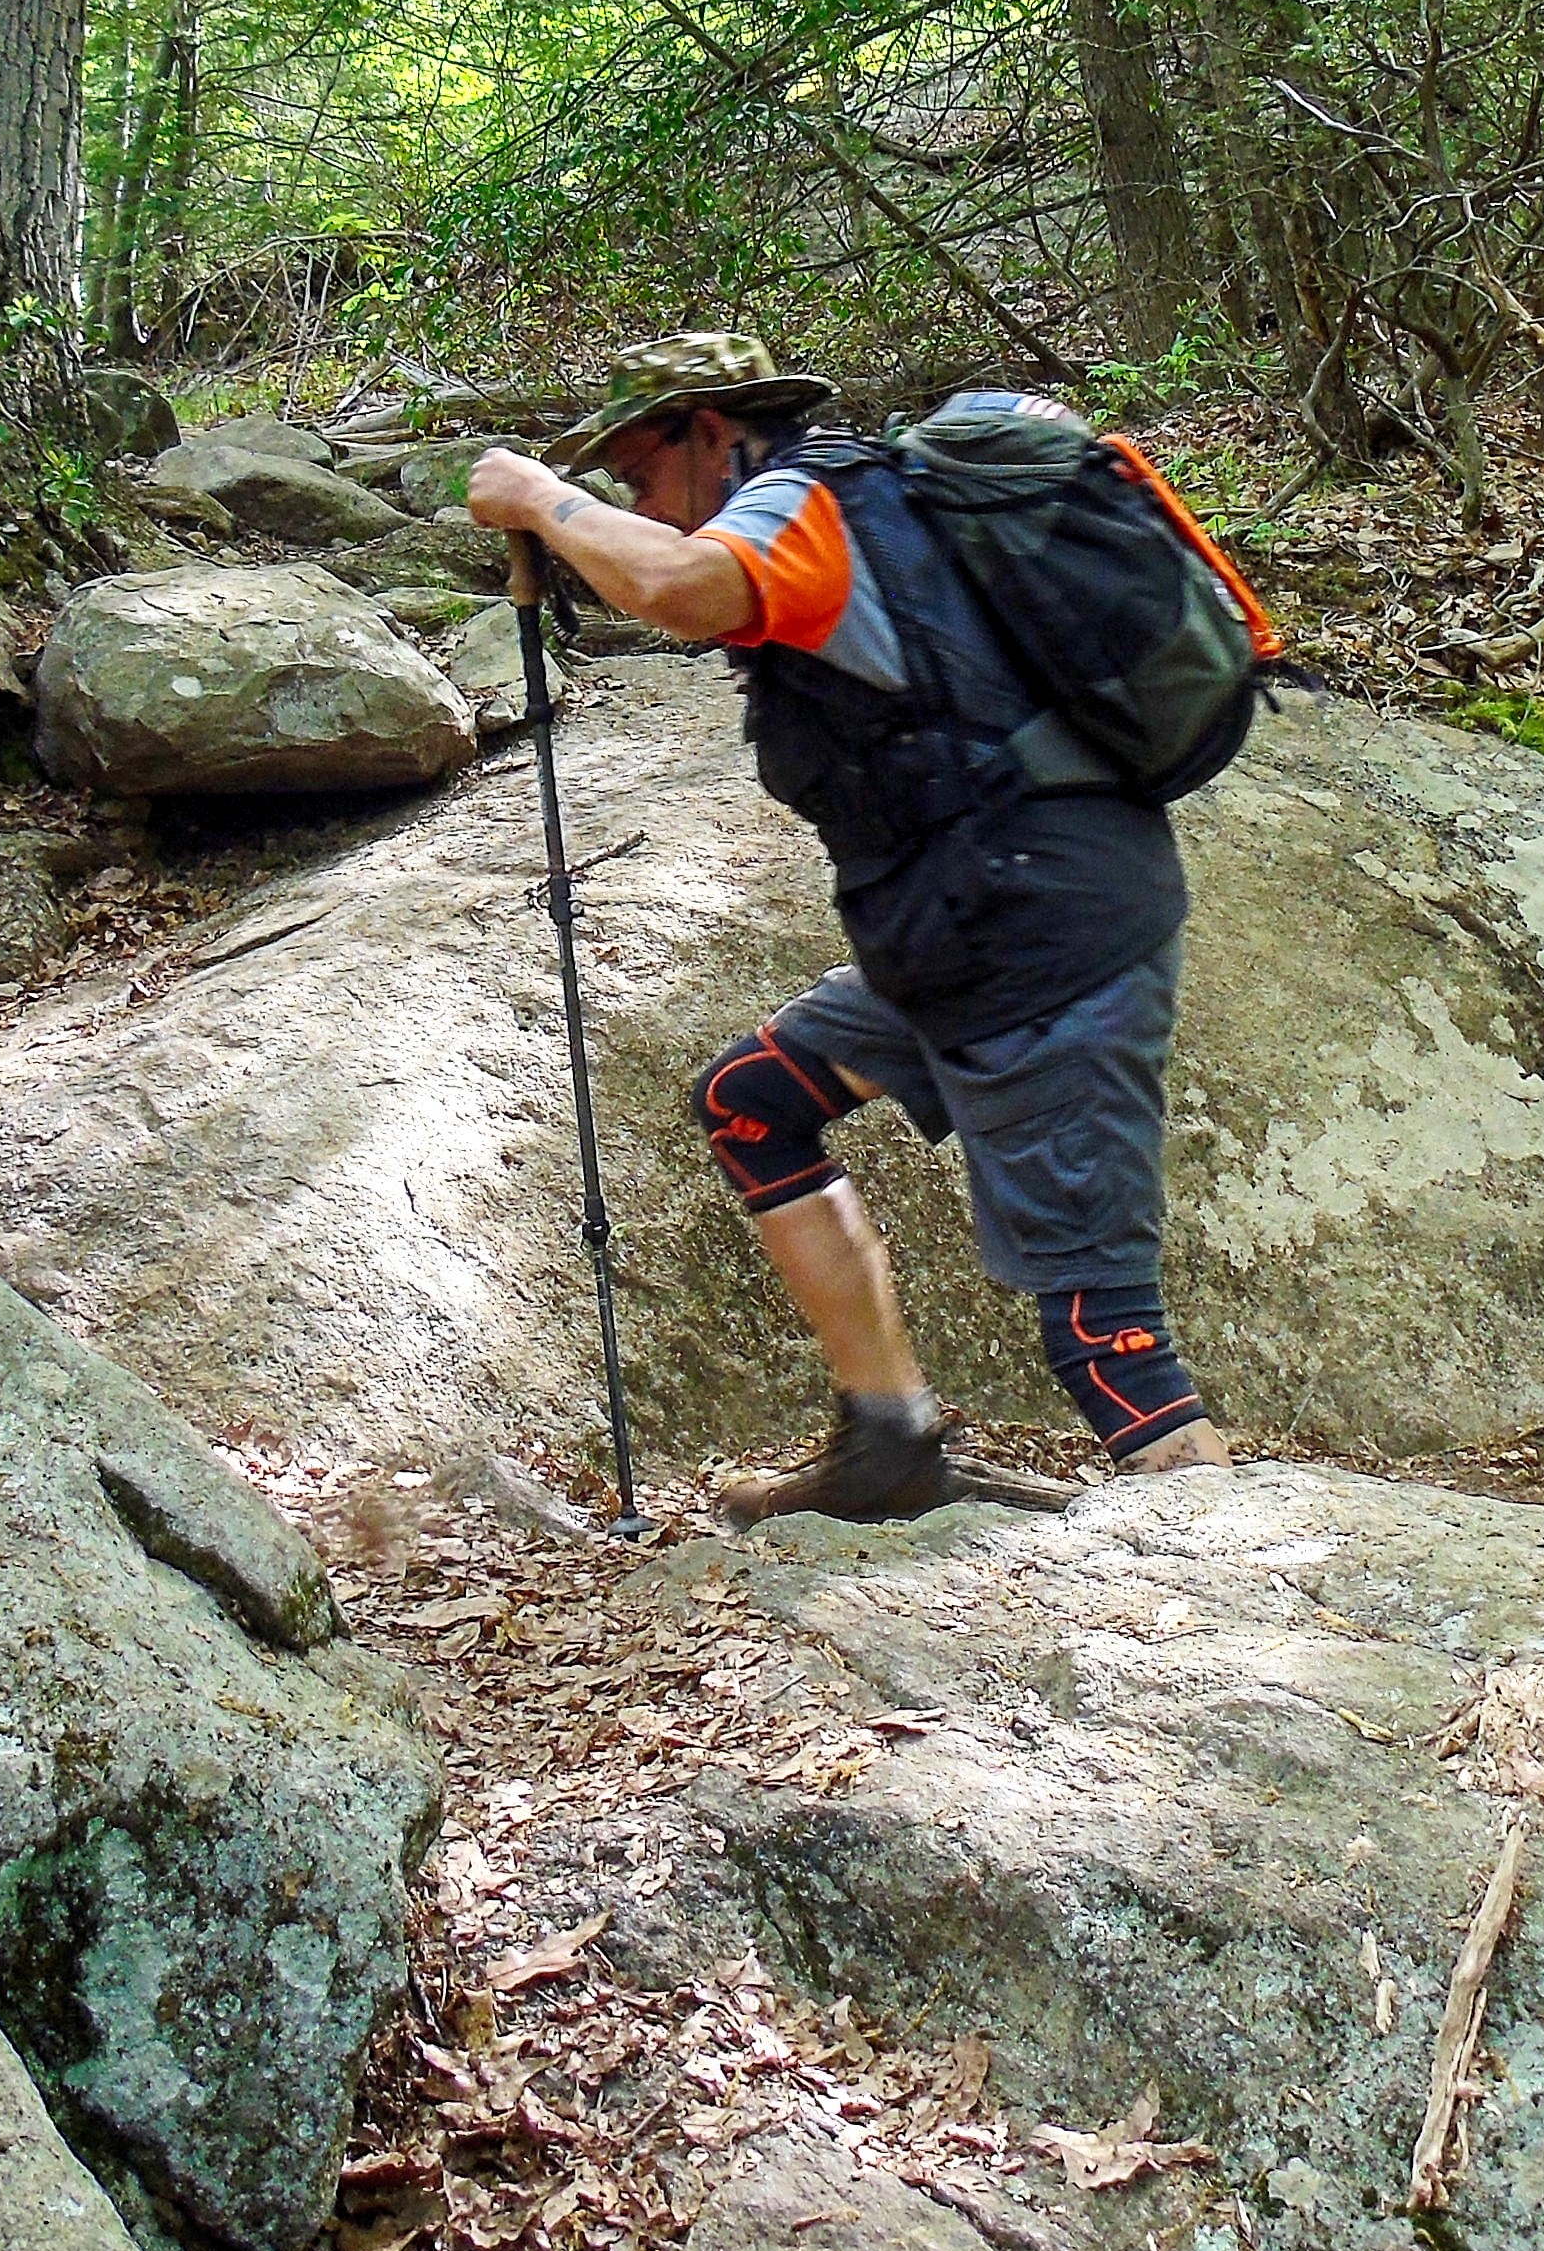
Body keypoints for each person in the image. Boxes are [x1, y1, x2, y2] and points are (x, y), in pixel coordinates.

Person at [471, 332, 1233, 1523]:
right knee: (752, 1101)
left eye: (637, 470)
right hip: (960, 933)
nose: (634, 501)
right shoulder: (859, 505)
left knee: (1105, 1329)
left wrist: (542, 499)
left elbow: (678, 589)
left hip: (1042, 946)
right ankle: (890, 1442)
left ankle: (1238, 1604)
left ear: (713, 432)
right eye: (615, 483)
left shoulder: (801, 503)